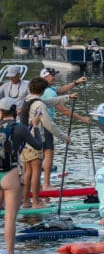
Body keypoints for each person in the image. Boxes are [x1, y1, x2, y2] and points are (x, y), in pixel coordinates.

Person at [1, 97, 43, 254]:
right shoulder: (19, 128)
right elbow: (38, 145)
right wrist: (36, 126)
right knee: (10, 218)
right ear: (15, 111)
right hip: (10, 174)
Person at [19, 79, 72, 209]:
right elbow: (49, 124)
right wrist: (64, 137)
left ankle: (26, 201)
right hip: (35, 140)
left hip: (24, 140)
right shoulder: (39, 104)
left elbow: (47, 102)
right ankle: (36, 202)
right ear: (43, 91)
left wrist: (67, 97)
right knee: (36, 171)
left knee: (27, 172)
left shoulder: (28, 99)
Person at [37, 69, 87, 191]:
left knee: (40, 155)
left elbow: (62, 90)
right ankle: (46, 185)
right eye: (52, 76)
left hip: (37, 126)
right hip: (44, 126)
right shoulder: (49, 93)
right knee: (48, 153)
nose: (54, 77)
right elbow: (63, 110)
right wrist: (82, 118)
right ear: (45, 77)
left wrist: (76, 82)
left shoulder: (49, 89)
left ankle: (38, 183)